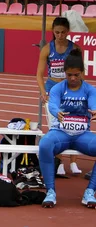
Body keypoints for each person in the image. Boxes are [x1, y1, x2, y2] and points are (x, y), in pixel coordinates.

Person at [38, 49, 96, 208]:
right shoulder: (58, 88)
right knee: (44, 145)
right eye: (69, 74)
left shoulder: (90, 90)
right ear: (65, 72)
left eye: (76, 75)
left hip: (82, 135)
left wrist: (94, 109)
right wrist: (57, 112)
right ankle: (50, 191)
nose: (72, 78)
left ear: (82, 73)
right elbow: (53, 105)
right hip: (60, 133)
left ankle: (90, 191)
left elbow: (93, 102)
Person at [36, 17, 82, 176]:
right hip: (52, 89)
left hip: (70, 88)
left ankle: (74, 161)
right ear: (53, 32)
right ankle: (60, 161)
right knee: (56, 126)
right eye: (57, 32)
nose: (60, 35)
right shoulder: (47, 49)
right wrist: (42, 91)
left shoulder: (75, 48)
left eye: (63, 32)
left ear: (68, 32)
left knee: (74, 125)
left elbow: (80, 73)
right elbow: (39, 74)